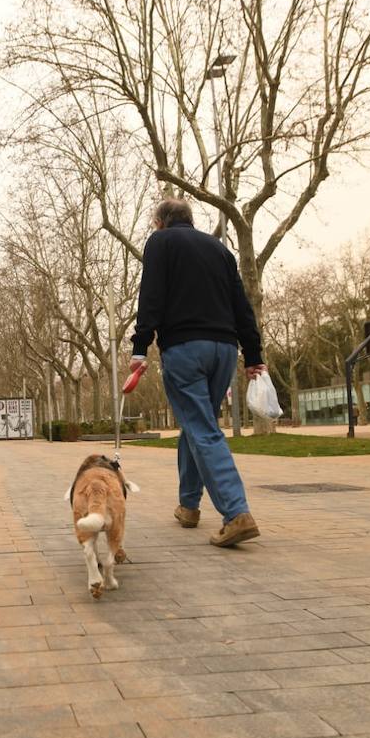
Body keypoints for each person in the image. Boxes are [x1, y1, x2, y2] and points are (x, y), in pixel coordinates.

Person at [129, 197, 266, 547]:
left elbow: (151, 296)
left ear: (160, 222)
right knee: (196, 425)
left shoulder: (160, 242)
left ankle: (236, 513)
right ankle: (189, 506)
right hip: (224, 350)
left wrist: (139, 346)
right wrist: (253, 354)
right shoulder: (220, 251)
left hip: (185, 349)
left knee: (203, 429)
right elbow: (242, 306)